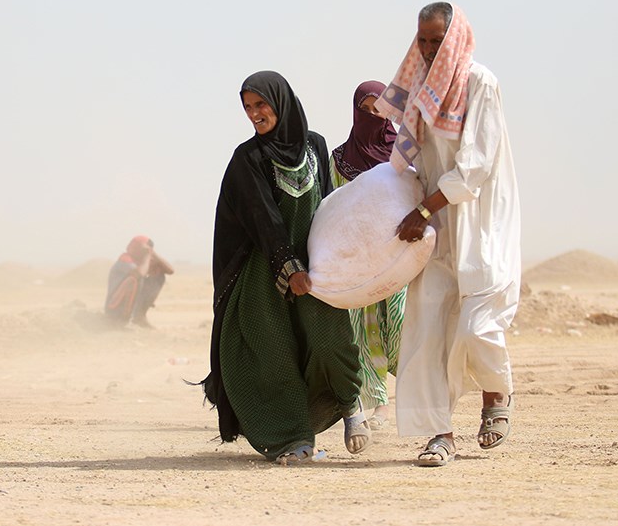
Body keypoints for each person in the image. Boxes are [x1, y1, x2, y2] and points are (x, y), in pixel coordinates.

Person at [374, 2, 520, 466]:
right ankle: (440, 434)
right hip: (435, 227)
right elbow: (416, 159)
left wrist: (423, 208)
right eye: (423, 40)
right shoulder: (421, 90)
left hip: (479, 221)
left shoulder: (481, 83)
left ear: (455, 39)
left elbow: (474, 167)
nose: (430, 48)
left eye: (438, 40)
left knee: (478, 326)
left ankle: (496, 396)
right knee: (427, 330)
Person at [200, 70, 371, 464]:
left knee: (330, 339)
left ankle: (350, 406)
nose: (254, 114)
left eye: (260, 104)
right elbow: (263, 219)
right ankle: (293, 438)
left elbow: (328, 207)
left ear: (281, 102)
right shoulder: (248, 158)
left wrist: (339, 260)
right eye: (247, 107)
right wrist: (288, 267)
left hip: (316, 266)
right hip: (265, 271)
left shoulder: (315, 146)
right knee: (272, 353)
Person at [329, 80, 405, 430]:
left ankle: (419, 394)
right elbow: (331, 208)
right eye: (367, 109)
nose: (374, 116)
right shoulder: (340, 159)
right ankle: (379, 404)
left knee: (402, 323)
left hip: (399, 256)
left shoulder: (404, 153)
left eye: (380, 109)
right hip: (358, 261)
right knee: (363, 329)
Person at [104, 236, 174, 328]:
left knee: (158, 277)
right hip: (114, 308)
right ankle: (123, 321)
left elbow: (170, 270)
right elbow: (139, 274)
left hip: (129, 304)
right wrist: (147, 256)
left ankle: (139, 317)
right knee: (136, 279)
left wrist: (153, 253)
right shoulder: (125, 259)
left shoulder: (141, 261)